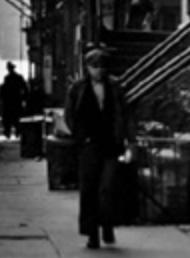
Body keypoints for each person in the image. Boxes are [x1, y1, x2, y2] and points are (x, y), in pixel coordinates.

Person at [64, 46, 132, 250]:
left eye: (102, 66)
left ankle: (108, 225)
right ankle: (92, 233)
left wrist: (129, 139)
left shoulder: (115, 87)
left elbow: (125, 114)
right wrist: (80, 136)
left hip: (111, 143)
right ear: (87, 67)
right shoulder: (77, 88)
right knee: (89, 190)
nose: (99, 70)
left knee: (108, 188)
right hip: (89, 144)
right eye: (95, 66)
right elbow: (70, 115)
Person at [0, 62, 28, 138]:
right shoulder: (18, 77)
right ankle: (16, 131)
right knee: (16, 117)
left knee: (9, 117)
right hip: (16, 100)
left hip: (11, 100)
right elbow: (25, 88)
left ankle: (9, 132)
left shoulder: (8, 78)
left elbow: (4, 90)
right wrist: (24, 98)